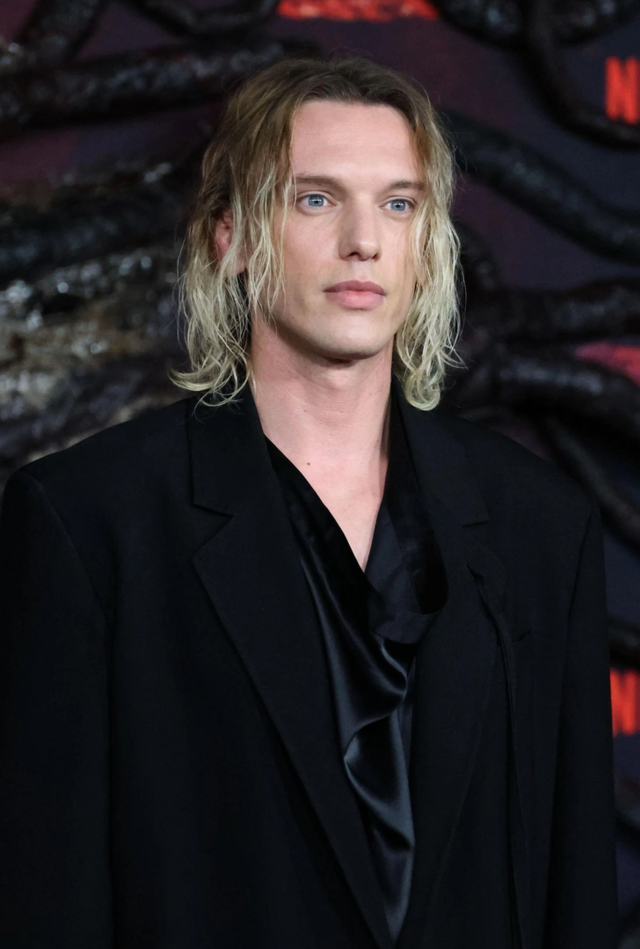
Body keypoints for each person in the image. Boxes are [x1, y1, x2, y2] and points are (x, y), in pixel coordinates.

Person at [0, 55, 617, 949]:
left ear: (427, 245)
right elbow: (47, 899)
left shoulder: (542, 527)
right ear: (232, 238)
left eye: (398, 204)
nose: (364, 240)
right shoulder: (89, 522)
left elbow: (575, 888)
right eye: (316, 199)